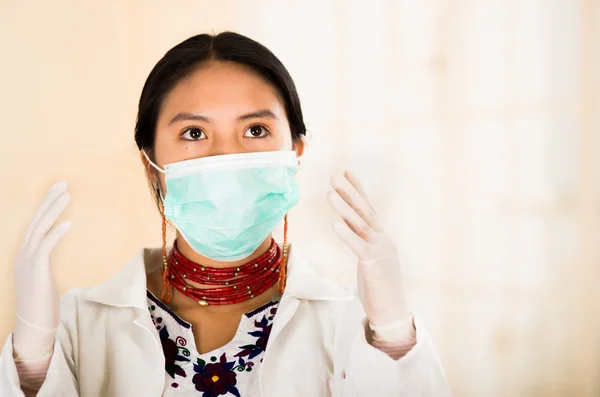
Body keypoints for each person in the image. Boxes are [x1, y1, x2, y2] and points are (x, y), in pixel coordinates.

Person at [0, 32, 451, 397]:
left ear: (294, 152)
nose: (226, 157)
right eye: (194, 132)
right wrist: (35, 357)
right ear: (151, 165)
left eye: (255, 130)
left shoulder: (352, 323)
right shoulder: (81, 322)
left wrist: (394, 336)